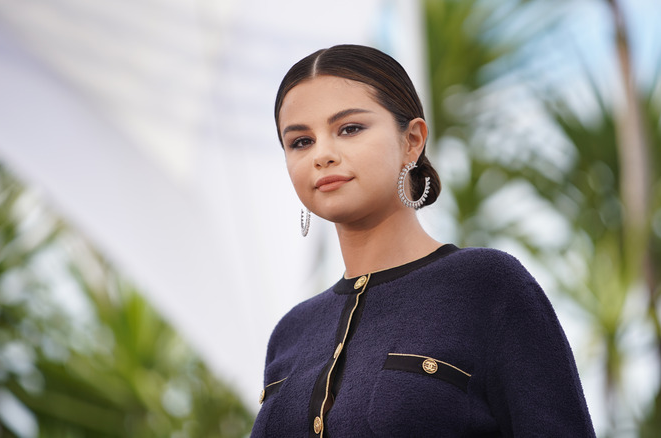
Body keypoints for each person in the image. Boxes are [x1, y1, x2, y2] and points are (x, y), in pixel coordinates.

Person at [251, 44, 596, 437]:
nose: (322, 154)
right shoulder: (292, 332)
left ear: (412, 140)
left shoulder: (485, 286)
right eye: (300, 141)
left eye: (349, 129)